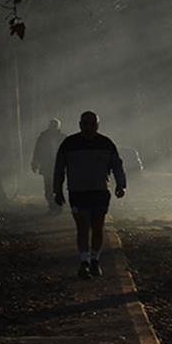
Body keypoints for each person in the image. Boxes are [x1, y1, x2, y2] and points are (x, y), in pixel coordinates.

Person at [53, 111, 127, 279]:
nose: (88, 127)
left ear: (97, 125)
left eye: (92, 124)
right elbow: (59, 169)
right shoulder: (69, 144)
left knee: (97, 227)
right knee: (82, 227)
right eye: (85, 124)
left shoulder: (106, 144)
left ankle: (94, 260)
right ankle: (84, 262)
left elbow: (117, 165)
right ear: (80, 125)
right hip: (78, 193)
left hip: (99, 192)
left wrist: (121, 185)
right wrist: (57, 189)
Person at [31, 119, 64, 212]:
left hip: (58, 167)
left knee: (58, 188)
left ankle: (57, 206)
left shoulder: (62, 137)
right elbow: (37, 151)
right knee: (48, 189)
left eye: (55, 126)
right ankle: (52, 206)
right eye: (52, 125)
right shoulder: (43, 137)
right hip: (47, 167)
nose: (53, 128)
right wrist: (35, 163)